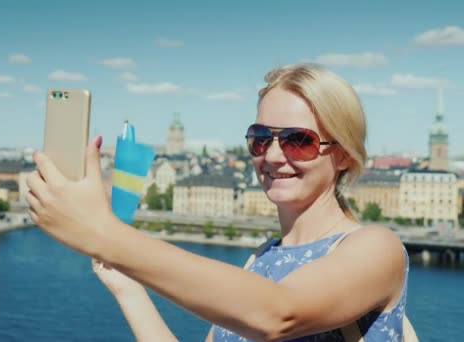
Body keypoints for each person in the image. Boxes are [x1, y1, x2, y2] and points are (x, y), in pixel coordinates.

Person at [26, 64, 409, 341]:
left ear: (343, 155)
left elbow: (278, 314)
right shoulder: (260, 261)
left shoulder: (377, 249)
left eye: (298, 140)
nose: (273, 156)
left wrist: (104, 235)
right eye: (261, 138)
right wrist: (128, 286)